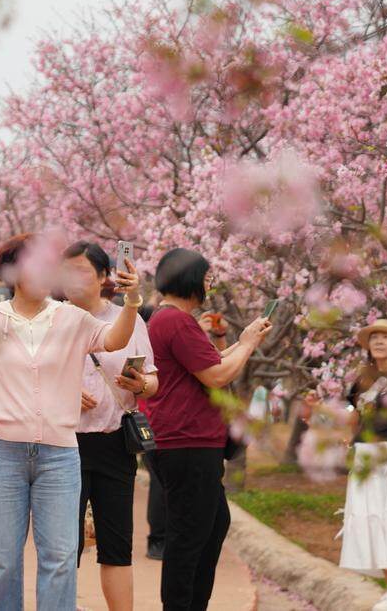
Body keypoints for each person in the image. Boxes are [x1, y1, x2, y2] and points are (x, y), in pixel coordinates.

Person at [0, 233, 142, 611]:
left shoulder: (71, 318)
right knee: (2, 560)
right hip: (1, 452)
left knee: (59, 558)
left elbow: (115, 340)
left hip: (59, 456)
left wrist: (132, 300)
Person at [145, 248, 271, 611]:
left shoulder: (172, 319)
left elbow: (211, 362)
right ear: (190, 279)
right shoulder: (176, 321)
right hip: (186, 443)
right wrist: (246, 345)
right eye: (206, 276)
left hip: (189, 442)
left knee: (214, 525)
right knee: (188, 539)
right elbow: (217, 376)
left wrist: (246, 340)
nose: (209, 284)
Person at [63, 241, 159, 611]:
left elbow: (152, 379)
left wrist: (141, 385)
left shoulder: (128, 320)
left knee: (116, 544)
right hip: (63, 444)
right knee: (63, 544)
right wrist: (65, 391)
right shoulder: (51, 319)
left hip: (114, 441)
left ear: (105, 276)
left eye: (82, 271)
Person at [337, 318, 387, 611]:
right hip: (366, 458)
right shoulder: (363, 379)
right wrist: (349, 436)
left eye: (386, 337)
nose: (379, 342)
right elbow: (356, 413)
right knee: (375, 519)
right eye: (374, 337)